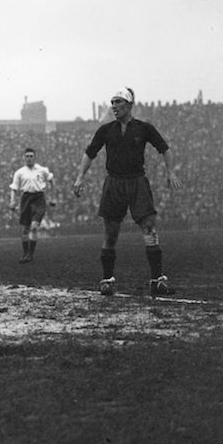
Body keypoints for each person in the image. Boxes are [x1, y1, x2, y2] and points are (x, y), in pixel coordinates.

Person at [72, 87, 182, 297]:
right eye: (112, 102)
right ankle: (107, 281)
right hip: (114, 183)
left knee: (149, 228)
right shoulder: (105, 130)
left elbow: (164, 149)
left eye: (118, 102)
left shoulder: (144, 128)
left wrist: (170, 172)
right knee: (111, 233)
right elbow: (89, 153)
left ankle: (157, 280)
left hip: (137, 182)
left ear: (129, 105)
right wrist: (80, 177)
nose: (114, 106)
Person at [8, 147, 56, 263]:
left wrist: (52, 197)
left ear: (35, 157)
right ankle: (25, 253)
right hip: (26, 198)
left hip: (39, 198)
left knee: (34, 227)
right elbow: (14, 188)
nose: (29, 158)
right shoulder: (19, 172)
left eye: (31, 156)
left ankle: (30, 254)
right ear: (24, 158)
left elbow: (51, 181)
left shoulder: (42, 170)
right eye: (27, 156)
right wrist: (12, 201)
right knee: (25, 229)